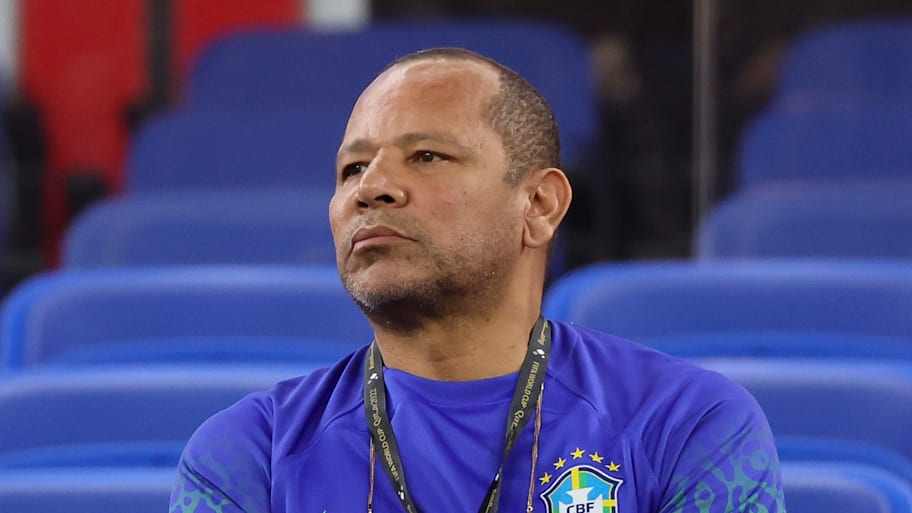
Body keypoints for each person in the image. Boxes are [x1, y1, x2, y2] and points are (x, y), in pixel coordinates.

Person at [170, 48, 786, 513]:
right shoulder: (249, 453)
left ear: (540, 205)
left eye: (428, 156)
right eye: (353, 167)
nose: (371, 187)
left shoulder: (688, 424)